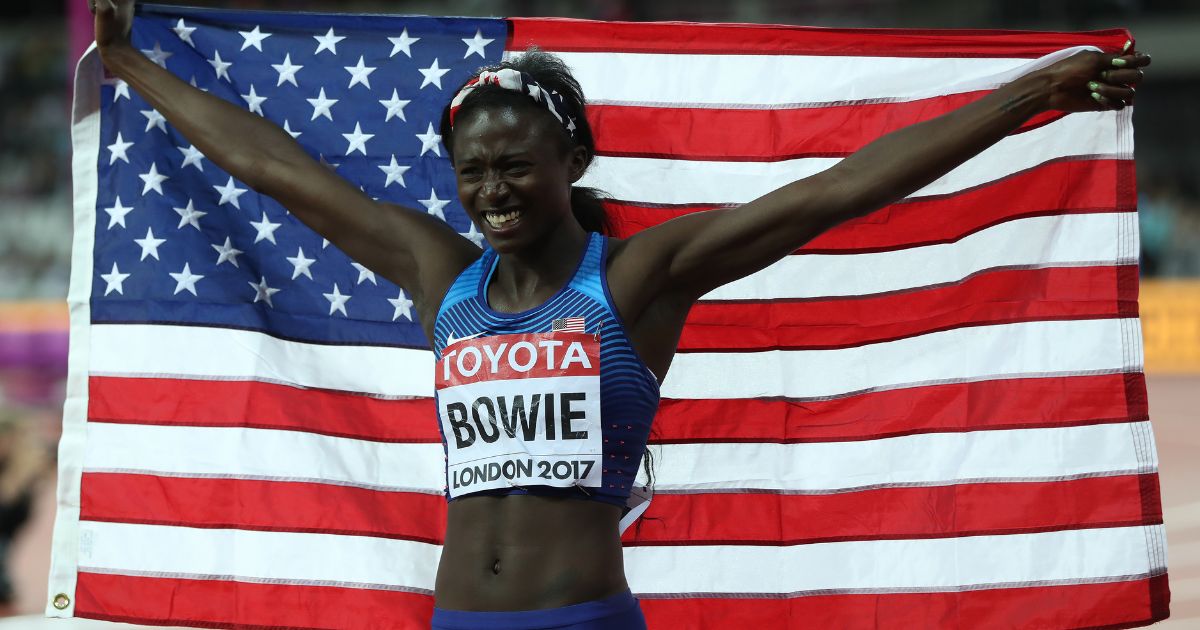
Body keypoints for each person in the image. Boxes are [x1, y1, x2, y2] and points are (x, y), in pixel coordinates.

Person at [90, 1, 1150, 628]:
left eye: (515, 166)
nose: (492, 191)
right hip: (456, 619)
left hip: (585, 619)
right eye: (472, 172)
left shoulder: (638, 279)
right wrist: (131, 64)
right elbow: (278, 169)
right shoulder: (439, 273)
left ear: (574, 161)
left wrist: (1033, 96)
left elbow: (835, 192)